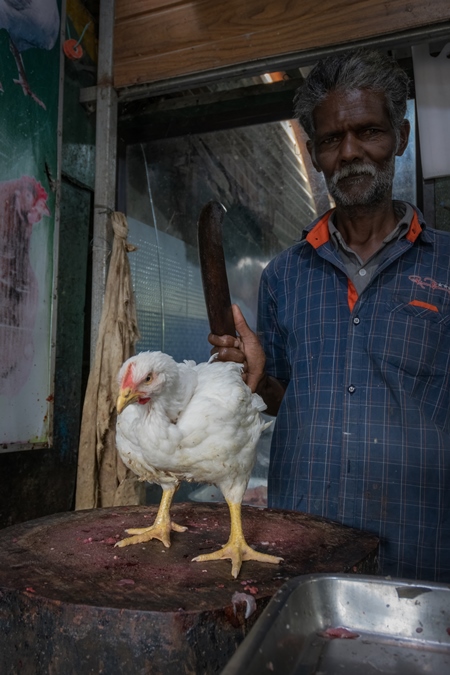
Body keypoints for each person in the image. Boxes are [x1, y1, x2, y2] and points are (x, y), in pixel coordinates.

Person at [209, 49, 450, 583]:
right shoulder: (283, 276)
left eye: (368, 132)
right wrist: (256, 376)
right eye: (330, 140)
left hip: (422, 556)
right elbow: (279, 397)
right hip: (304, 548)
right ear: (315, 154)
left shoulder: (447, 266)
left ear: (401, 138)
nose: (350, 153)